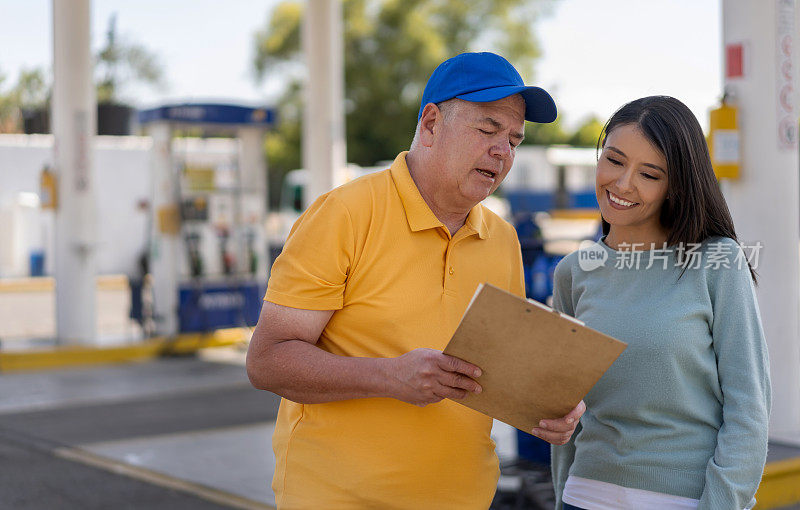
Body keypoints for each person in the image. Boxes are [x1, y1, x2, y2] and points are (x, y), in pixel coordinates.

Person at [246, 51, 585, 509]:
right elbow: (267, 360)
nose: (503, 152)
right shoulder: (344, 214)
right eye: (487, 130)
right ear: (430, 124)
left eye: (514, 139)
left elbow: (499, 378)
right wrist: (390, 376)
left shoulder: (502, 238)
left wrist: (547, 413)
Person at [550, 96, 771, 510]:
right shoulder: (573, 272)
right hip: (584, 495)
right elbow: (566, 409)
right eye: (614, 160)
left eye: (649, 174)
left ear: (675, 187)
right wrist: (561, 493)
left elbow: (749, 410)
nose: (623, 183)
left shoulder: (716, 262)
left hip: (683, 500)